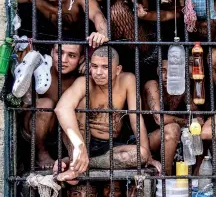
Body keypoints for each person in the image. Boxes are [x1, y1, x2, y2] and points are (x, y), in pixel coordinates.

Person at [54, 46, 161, 181]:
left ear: (117, 70)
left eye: (105, 67)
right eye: (94, 66)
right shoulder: (84, 82)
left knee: (142, 155)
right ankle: (76, 164)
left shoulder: (127, 80)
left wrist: (148, 157)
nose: (98, 72)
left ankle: (82, 164)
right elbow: (61, 108)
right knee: (80, 103)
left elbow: (136, 118)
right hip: (82, 141)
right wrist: (78, 145)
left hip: (110, 148)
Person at [22, 43, 83, 168]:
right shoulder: (41, 71)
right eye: (59, 53)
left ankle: (75, 154)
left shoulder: (81, 77)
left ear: (81, 59)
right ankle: (41, 154)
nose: (63, 60)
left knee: (82, 103)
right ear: (51, 52)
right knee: (46, 104)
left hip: (64, 133)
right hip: (35, 131)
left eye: (71, 55)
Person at [143, 57, 194, 175]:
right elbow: (159, 119)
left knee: (200, 129)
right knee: (173, 128)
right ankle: (166, 177)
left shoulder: (181, 87)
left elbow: (195, 110)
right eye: (163, 71)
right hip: (145, 139)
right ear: (157, 71)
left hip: (168, 139)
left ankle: (197, 175)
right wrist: (186, 121)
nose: (166, 76)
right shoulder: (152, 85)